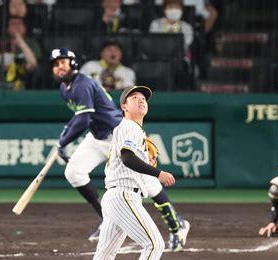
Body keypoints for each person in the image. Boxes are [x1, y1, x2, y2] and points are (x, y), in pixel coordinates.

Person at [52, 49, 190, 249]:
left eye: (62, 62)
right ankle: (108, 219)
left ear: (72, 63)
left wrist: (62, 142)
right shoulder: (65, 88)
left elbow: (83, 119)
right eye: (55, 64)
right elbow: (79, 117)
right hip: (97, 136)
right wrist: (64, 136)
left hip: (119, 135)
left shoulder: (82, 84)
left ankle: (177, 225)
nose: (59, 67)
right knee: (74, 172)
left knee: (149, 185)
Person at [76, 86, 173, 260]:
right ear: (124, 107)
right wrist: (157, 172)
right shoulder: (129, 126)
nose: (141, 100)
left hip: (116, 197)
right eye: (134, 98)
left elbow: (130, 157)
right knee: (155, 244)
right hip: (124, 196)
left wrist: (145, 160)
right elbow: (127, 158)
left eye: (143, 98)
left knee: (104, 256)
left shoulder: (133, 130)